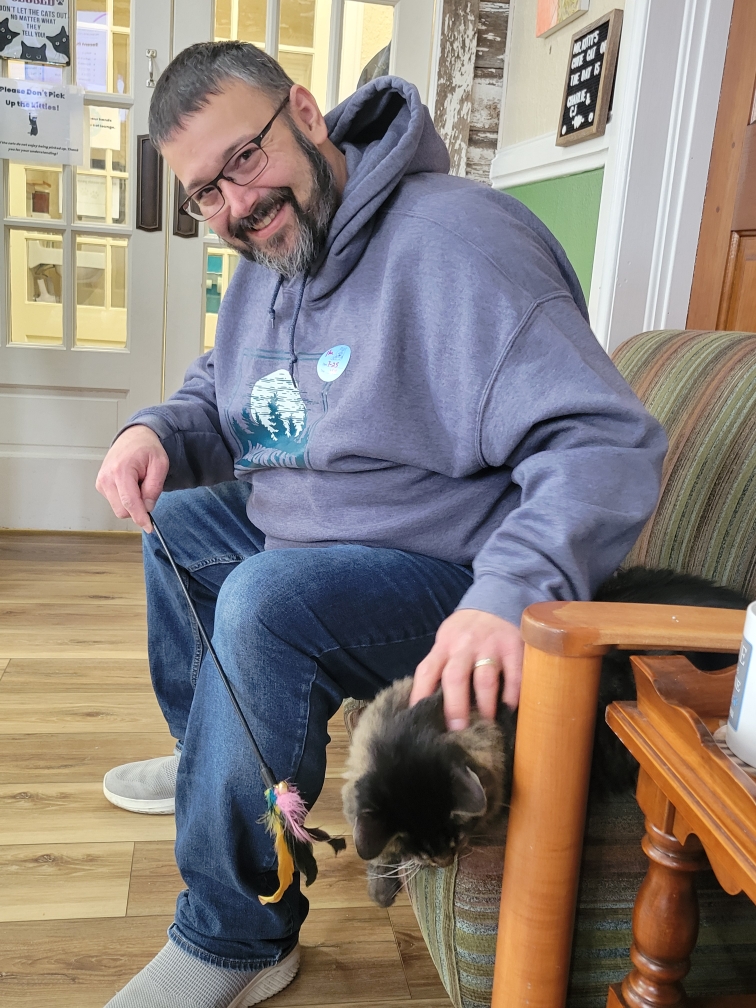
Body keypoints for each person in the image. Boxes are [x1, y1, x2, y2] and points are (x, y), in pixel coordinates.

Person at [95, 40, 666, 1008]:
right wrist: (156, 430)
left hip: (446, 566)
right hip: (316, 530)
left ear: (307, 116)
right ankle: (219, 769)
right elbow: (234, 396)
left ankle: (238, 936)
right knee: (185, 522)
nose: (235, 204)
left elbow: (605, 440)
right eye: (206, 193)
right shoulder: (274, 253)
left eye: (245, 159)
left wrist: (510, 594)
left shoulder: (461, 244)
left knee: (264, 601)